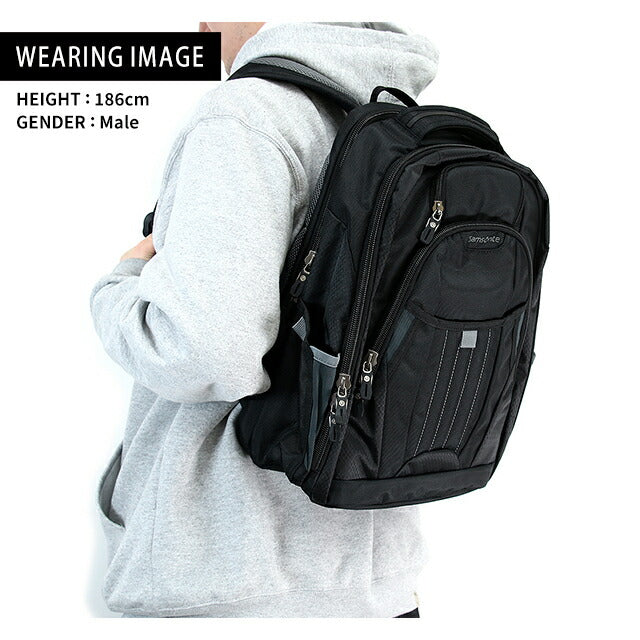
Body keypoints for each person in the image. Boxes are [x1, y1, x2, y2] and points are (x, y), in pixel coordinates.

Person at [90, 21, 439, 618]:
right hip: (379, 584)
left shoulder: (248, 118)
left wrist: (116, 290)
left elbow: (206, 353)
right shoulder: (398, 126)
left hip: (229, 581)